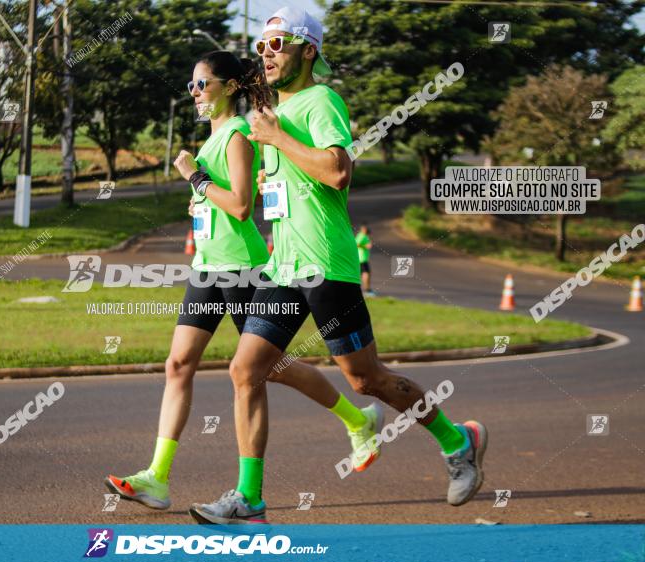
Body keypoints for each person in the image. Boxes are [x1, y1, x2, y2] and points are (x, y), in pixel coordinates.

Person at [189, 7, 487, 525]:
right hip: (284, 269)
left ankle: (457, 439)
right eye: (262, 47)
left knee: (366, 381)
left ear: (309, 50)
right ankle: (250, 499)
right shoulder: (272, 114)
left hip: (328, 266)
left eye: (278, 44)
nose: (268, 54)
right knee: (245, 369)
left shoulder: (321, 100)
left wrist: (277, 139)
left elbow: (338, 171)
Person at [104, 51, 383, 515]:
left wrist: (194, 177)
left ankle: (357, 420)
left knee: (267, 368)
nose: (194, 92)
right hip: (209, 266)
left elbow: (238, 205)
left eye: (202, 83)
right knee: (178, 364)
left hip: (243, 266)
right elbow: (217, 202)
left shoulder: (236, 135)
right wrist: (199, 198)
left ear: (230, 87)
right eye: (190, 85)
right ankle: (156, 477)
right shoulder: (211, 141)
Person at [355, 224, 375, 296]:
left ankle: (367, 290)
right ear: (362, 229)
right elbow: (356, 244)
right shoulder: (361, 236)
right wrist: (365, 246)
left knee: (366, 273)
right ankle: (367, 290)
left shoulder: (364, 236)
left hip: (363, 259)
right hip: (361, 259)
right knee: (366, 273)